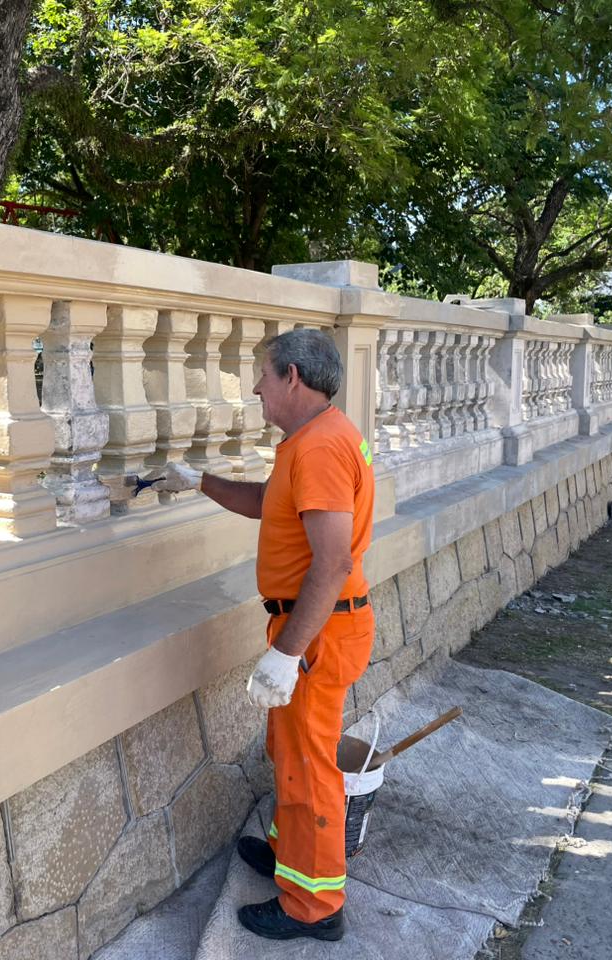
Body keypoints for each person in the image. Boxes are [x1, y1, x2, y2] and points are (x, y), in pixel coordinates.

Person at [148, 328, 375, 943]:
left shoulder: (320, 448)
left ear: (292, 377)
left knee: (310, 767)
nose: (255, 388)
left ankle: (315, 907)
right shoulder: (314, 438)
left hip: (317, 633)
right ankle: (289, 857)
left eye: (264, 375)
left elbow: (332, 562)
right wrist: (197, 480)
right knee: (290, 752)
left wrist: (286, 653)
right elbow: (266, 503)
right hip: (314, 625)